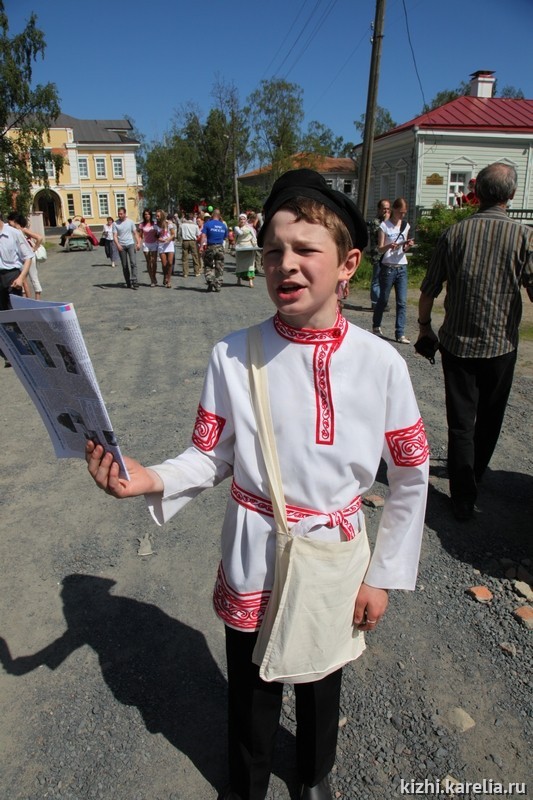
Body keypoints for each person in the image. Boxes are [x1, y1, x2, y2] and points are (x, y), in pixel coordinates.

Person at [85, 167, 429, 800]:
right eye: (273, 251)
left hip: (334, 552)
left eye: (305, 251)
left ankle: (314, 775)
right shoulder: (232, 353)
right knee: (250, 687)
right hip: (254, 547)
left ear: (350, 262)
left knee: (323, 678)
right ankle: (245, 784)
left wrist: (383, 574)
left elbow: (410, 473)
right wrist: (150, 478)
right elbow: (209, 456)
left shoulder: (381, 364)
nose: (285, 265)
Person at [417, 162, 533, 521]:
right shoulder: (525, 236)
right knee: (491, 417)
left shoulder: (455, 234)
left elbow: (429, 289)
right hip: (502, 345)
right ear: (512, 195)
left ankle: (463, 496)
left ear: (476, 192)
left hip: (457, 345)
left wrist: (424, 327)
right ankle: (475, 475)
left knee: (460, 420)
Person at [372, 197, 415, 344]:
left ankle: (400, 333)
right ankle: (376, 326)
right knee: (383, 299)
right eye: (400, 212)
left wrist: (407, 245)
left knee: (402, 302)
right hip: (388, 267)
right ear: (394, 210)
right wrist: (390, 246)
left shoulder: (405, 225)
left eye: (404, 213)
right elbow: (380, 247)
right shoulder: (384, 226)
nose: (402, 215)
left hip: (402, 266)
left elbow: (404, 248)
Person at [0, 213, 33, 365]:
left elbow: (28, 256)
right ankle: (8, 354)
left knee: (13, 313)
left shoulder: (13, 233)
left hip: (12, 275)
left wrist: (21, 278)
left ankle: (23, 349)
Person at [7, 213, 43, 299]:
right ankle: (27, 300)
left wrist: (34, 249)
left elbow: (39, 238)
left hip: (29, 257)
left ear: (14, 221)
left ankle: (37, 301)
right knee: (22, 280)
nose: (8, 224)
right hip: (20, 258)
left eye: (9, 222)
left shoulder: (23, 230)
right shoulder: (12, 231)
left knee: (33, 278)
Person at [367, 199, 390, 309]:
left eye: (388, 209)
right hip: (377, 255)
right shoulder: (375, 222)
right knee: (376, 279)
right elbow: (379, 235)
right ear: (379, 209)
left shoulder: (389, 223)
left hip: (387, 255)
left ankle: (382, 302)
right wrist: (386, 222)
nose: (386, 211)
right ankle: (375, 303)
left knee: (385, 280)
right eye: (384, 208)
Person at [113, 206, 141, 290]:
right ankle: (128, 282)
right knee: (124, 265)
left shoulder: (130, 222)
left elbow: (135, 233)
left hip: (130, 244)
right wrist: (117, 245)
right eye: (119, 214)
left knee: (133, 263)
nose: (120, 215)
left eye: (121, 214)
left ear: (125, 214)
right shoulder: (115, 223)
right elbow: (114, 236)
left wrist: (138, 242)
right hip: (122, 246)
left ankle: (134, 281)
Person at [201, 208, 228, 293]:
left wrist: (201, 246)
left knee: (208, 265)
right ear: (219, 216)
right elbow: (225, 238)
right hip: (220, 247)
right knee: (219, 267)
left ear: (212, 215)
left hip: (210, 247)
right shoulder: (223, 226)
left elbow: (203, 236)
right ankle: (218, 285)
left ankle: (210, 281)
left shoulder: (207, 224)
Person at [234, 213, 257, 287]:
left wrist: (255, 245)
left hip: (249, 247)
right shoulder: (237, 228)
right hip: (240, 247)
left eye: (244, 219)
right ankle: (238, 280)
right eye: (241, 219)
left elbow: (253, 237)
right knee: (239, 264)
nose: (242, 220)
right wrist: (238, 228)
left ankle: (250, 281)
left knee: (250, 265)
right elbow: (240, 234)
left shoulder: (250, 228)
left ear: (246, 220)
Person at [138, 209, 159, 286]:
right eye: (145, 214)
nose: (147, 215)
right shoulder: (141, 225)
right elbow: (140, 236)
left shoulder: (155, 224)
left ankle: (154, 276)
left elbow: (158, 233)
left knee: (154, 262)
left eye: (148, 214)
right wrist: (138, 243)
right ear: (144, 215)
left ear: (151, 215)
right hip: (146, 244)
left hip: (154, 244)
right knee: (148, 262)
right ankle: (152, 279)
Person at [155, 210, 175, 288]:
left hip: (169, 244)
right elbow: (155, 236)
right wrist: (159, 239)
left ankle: (168, 280)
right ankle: (165, 276)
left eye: (158, 216)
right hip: (161, 245)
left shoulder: (169, 224)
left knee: (170, 263)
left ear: (162, 216)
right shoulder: (156, 225)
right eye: (156, 216)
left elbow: (173, 234)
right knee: (164, 264)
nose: (157, 217)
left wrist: (169, 239)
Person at [180, 213, 202, 277]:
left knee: (185, 257)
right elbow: (198, 234)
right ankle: (196, 272)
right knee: (195, 256)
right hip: (193, 241)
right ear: (192, 218)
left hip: (185, 241)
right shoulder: (195, 225)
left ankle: (185, 273)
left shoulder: (182, 225)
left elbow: (180, 234)